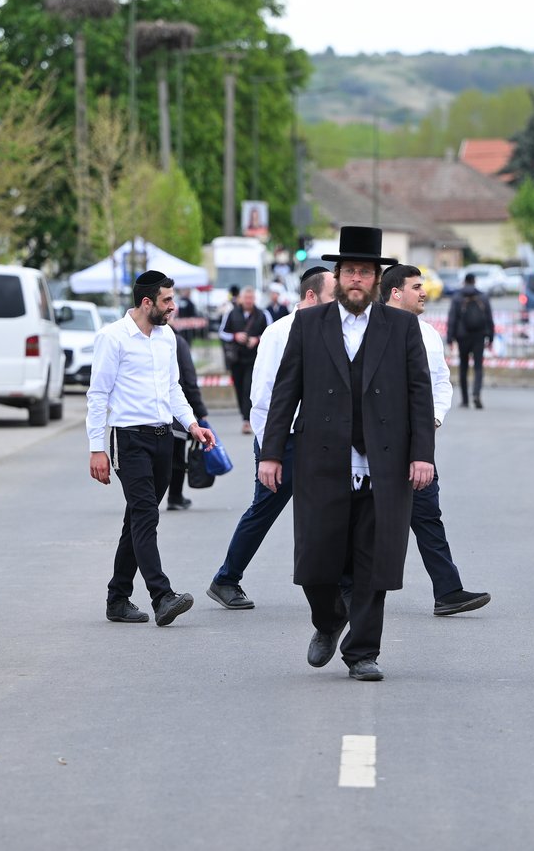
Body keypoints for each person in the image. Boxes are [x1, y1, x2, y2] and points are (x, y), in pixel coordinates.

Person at [259, 225, 435, 681]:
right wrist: (271, 453)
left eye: (365, 271)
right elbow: (286, 391)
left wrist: (423, 454)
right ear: (337, 277)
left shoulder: (402, 327)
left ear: (377, 280)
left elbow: (420, 394)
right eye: (350, 271)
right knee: (315, 562)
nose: (357, 278)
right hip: (321, 462)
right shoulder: (307, 324)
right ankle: (329, 619)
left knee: (373, 563)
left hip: (384, 463)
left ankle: (362, 653)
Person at [88, 270, 216, 627]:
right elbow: (97, 395)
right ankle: (162, 596)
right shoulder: (112, 337)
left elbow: (173, 388)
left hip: (164, 439)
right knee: (146, 515)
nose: (173, 306)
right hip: (129, 440)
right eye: (167, 300)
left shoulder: (167, 337)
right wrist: (96, 448)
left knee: (136, 519)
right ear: (147, 302)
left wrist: (192, 424)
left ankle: (117, 598)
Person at [206, 265, 335, 610]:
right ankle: (226, 579)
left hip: (320, 439)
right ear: (311, 296)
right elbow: (262, 396)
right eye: (333, 296)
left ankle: (337, 585)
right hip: (285, 441)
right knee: (263, 511)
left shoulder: (332, 331)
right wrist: (269, 452)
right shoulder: (279, 333)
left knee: (330, 511)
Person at [381, 264, 491, 615]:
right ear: (396, 292)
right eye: (416, 287)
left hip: (416, 442)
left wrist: (434, 417)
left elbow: (441, 381)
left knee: (427, 514)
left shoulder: (428, 333)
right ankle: (344, 592)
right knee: (365, 520)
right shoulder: (369, 329)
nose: (424, 292)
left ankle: (447, 591)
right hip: (374, 445)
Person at [166, 318, 208, 511]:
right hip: (176, 415)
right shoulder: (178, 342)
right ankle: (175, 496)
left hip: (150, 417)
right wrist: (200, 412)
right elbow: (190, 380)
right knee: (176, 457)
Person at [218, 286, 270, 434]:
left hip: (255, 359)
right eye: (246, 298)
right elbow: (222, 333)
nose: (248, 301)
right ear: (241, 299)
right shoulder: (231, 313)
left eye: (251, 298)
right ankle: (244, 415)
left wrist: (257, 339)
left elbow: (270, 333)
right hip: (236, 358)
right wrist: (235, 336)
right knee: (239, 388)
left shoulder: (263, 314)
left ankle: (247, 420)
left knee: (249, 388)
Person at [446, 272, 494, 409]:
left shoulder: (457, 297)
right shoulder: (483, 297)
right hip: (479, 336)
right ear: (474, 281)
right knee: (478, 367)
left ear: (464, 282)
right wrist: (491, 337)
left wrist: (450, 338)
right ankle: (476, 394)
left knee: (463, 367)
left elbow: (452, 318)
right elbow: (489, 318)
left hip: (462, 337)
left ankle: (465, 400)